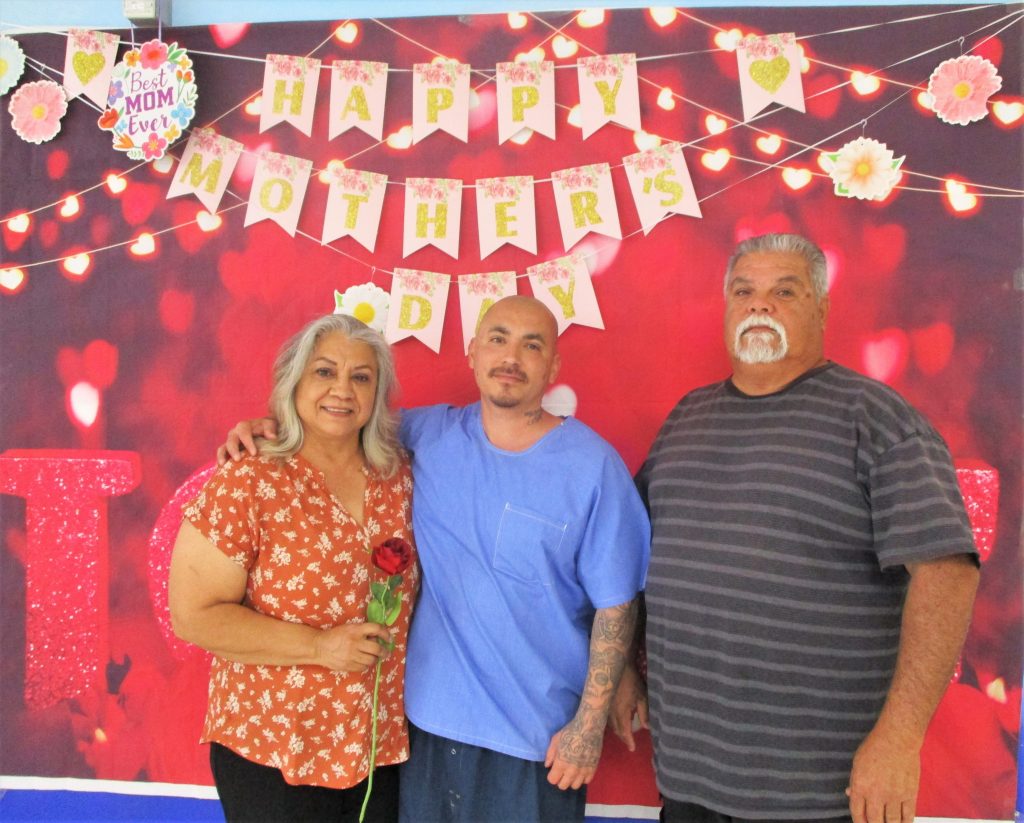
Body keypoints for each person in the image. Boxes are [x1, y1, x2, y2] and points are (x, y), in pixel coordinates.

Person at [222, 296, 651, 822]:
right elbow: (335, 420)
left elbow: (617, 604)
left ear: (553, 366)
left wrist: (589, 723)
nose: (511, 356)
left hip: (536, 742)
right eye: (497, 338)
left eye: (531, 344)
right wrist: (266, 425)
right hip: (422, 732)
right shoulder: (424, 435)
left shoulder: (593, 467)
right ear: (472, 352)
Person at [613, 233, 980, 823]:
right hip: (689, 777)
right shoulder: (687, 417)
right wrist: (625, 665)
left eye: (784, 291)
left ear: (821, 309)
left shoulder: (878, 421)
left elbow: (948, 575)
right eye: (745, 292)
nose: (760, 306)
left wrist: (899, 738)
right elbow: (630, 553)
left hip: (819, 793)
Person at [170, 313, 416, 823]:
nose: (342, 390)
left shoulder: (401, 475)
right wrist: (320, 647)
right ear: (295, 381)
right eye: (324, 372)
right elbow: (194, 616)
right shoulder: (250, 478)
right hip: (273, 749)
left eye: (361, 376)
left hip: (378, 749)